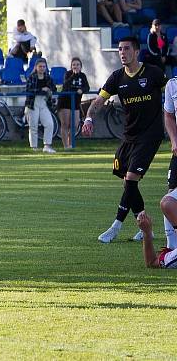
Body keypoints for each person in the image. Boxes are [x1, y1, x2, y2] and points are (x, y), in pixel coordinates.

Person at [83, 36, 167, 244]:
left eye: (126, 49)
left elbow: (172, 92)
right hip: (129, 136)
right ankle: (144, 224)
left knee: (130, 180)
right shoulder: (117, 77)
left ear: (136, 52)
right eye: (120, 49)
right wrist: (88, 117)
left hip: (150, 135)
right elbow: (99, 101)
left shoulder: (153, 73)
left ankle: (115, 227)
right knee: (127, 184)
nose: (122, 52)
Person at [24, 58, 56, 154]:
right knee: (33, 126)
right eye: (40, 66)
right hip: (32, 103)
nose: (42, 68)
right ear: (36, 67)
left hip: (44, 102)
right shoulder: (32, 77)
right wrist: (43, 89)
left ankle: (47, 146)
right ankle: (34, 147)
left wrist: (49, 90)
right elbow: (29, 90)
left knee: (49, 124)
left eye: (44, 66)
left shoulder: (48, 77)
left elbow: (54, 88)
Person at [159, 75, 177, 249]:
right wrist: (174, 141)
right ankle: (171, 247)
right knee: (171, 194)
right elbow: (169, 116)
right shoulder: (173, 84)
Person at [57, 58, 89, 150]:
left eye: (78, 64)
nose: (76, 66)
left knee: (75, 125)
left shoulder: (83, 76)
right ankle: (66, 146)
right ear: (71, 66)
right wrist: (73, 76)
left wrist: (82, 90)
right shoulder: (68, 74)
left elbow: (87, 87)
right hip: (65, 102)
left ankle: (71, 144)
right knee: (65, 124)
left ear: (81, 66)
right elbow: (66, 85)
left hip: (76, 103)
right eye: (74, 64)